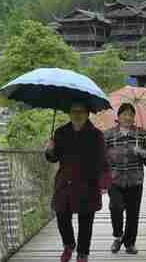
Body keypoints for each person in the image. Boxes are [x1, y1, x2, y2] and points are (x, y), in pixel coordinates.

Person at [45, 102, 111, 262]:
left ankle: (83, 253)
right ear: (69, 113)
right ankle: (69, 244)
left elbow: (102, 159)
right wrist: (49, 150)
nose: (77, 114)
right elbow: (54, 158)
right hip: (65, 182)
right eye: (73, 111)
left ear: (87, 113)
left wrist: (104, 182)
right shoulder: (60, 132)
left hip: (88, 182)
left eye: (81, 111)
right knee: (61, 215)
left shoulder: (96, 135)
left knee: (86, 220)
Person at [104, 103, 146, 255]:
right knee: (115, 207)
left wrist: (142, 152)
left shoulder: (141, 133)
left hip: (135, 179)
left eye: (131, 115)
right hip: (114, 179)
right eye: (124, 114)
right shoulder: (108, 134)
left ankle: (130, 243)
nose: (127, 117)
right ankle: (118, 236)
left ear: (134, 118)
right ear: (118, 117)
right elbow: (101, 154)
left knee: (133, 213)